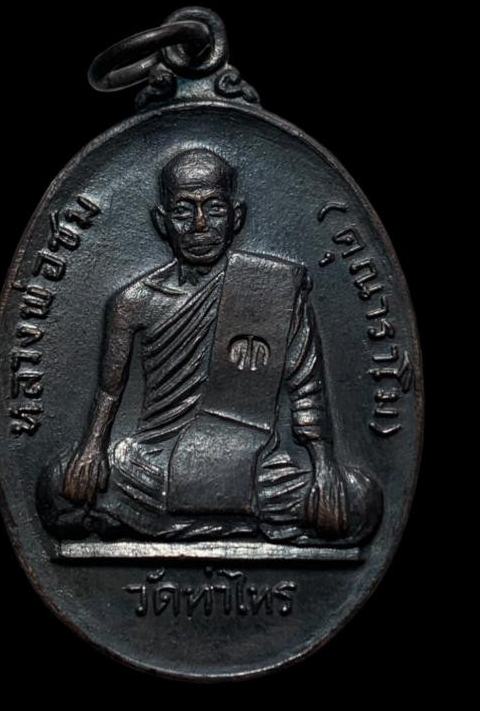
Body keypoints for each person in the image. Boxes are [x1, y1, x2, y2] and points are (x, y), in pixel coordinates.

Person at [38, 148, 382, 543]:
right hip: (152, 465)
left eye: (214, 209)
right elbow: (109, 390)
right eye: (183, 211)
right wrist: (91, 449)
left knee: (361, 500)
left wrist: (324, 467)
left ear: (237, 217)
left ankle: (161, 521)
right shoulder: (132, 302)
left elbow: (306, 385)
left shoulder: (273, 286)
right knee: (57, 487)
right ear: (161, 221)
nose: (199, 225)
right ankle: (228, 520)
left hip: (254, 466)